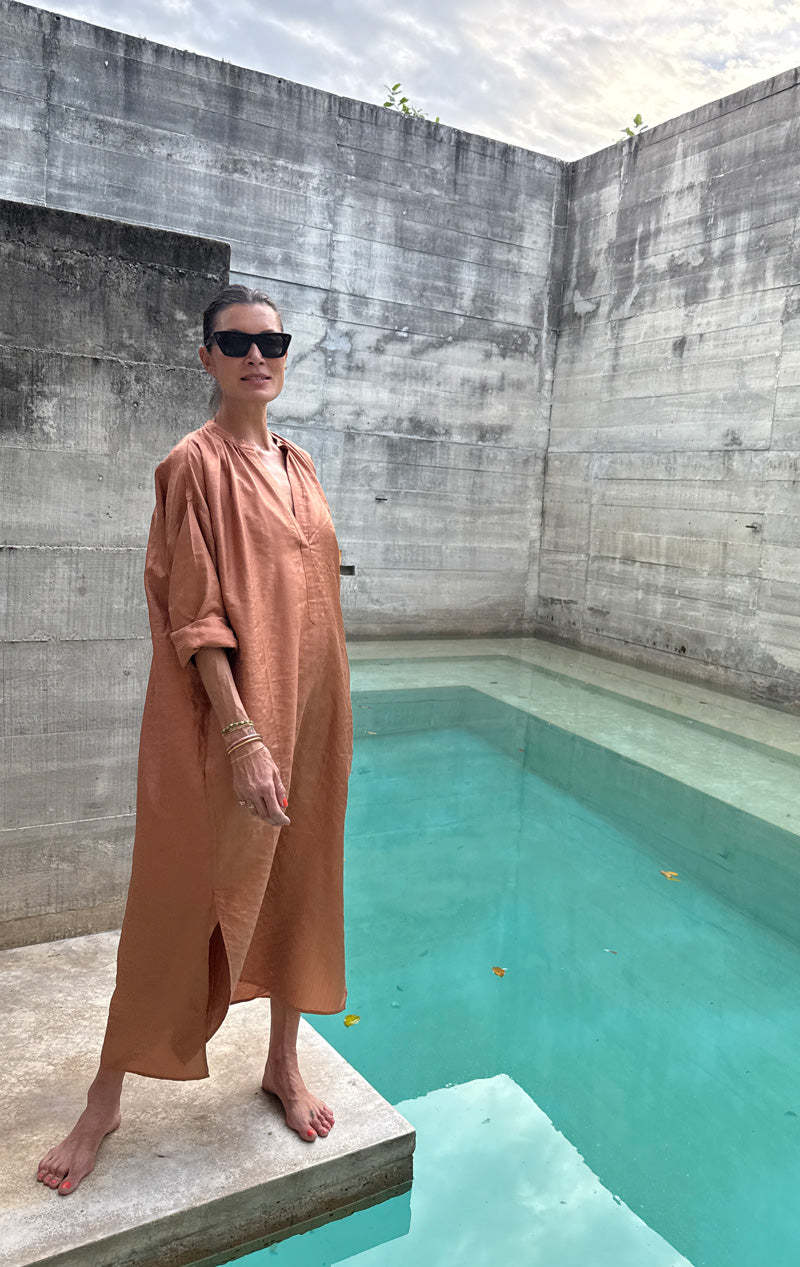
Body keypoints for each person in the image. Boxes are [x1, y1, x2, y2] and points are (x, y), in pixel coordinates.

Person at [35, 284, 353, 1196]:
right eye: (237, 342)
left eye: (272, 343)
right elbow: (196, 615)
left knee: (301, 880)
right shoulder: (192, 465)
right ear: (206, 356)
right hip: (230, 725)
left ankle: (283, 1062)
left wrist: (314, 719)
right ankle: (103, 1100)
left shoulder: (300, 463)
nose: (258, 356)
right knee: (177, 898)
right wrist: (244, 734)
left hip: (317, 714)